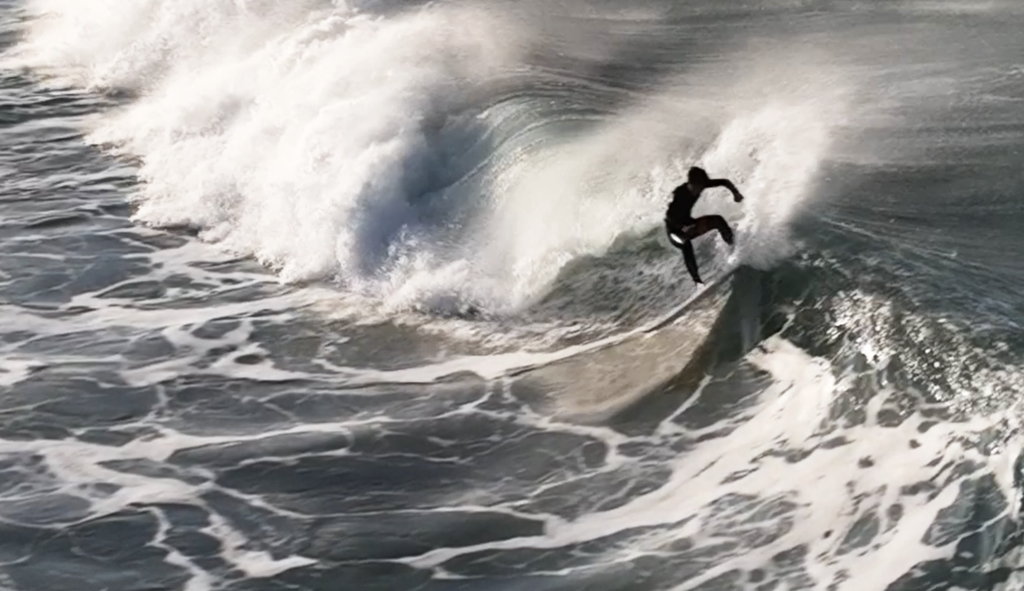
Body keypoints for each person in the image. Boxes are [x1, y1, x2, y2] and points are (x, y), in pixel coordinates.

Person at [664, 166, 744, 285]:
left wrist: (736, 193)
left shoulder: (701, 184)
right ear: (691, 183)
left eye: (702, 186)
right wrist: (686, 226)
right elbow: (670, 217)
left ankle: (733, 247)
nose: (700, 189)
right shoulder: (680, 193)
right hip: (674, 231)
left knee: (718, 220)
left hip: (689, 223)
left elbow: (724, 182)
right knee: (686, 245)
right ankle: (698, 282)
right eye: (698, 187)